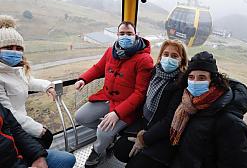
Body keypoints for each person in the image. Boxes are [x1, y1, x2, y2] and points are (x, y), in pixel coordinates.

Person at [74, 21, 154, 167]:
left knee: (103, 132)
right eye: (122, 34)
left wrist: (117, 114)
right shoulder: (111, 51)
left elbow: (140, 93)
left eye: (129, 34)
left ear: (136, 35)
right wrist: (83, 79)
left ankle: (98, 150)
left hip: (127, 106)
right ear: (117, 35)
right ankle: (109, 137)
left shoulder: (144, 59)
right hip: (107, 98)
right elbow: (98, 68)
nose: (125, 37)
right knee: (80, 117)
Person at [169, 51, 247, 168]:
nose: (195, 82)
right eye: (191, 77)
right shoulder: (188, 106)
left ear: (213, 81)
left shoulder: (228, 121)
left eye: (202, 78)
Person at [113, 39, 188, 168]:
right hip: (145, 122)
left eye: (174, 56)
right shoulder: (155, 72)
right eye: (166, 54)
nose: (169, 58)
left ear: (181, 60)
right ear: (160, 56)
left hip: (162, 134)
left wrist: (144, 139)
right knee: (119, 150)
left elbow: (169, 121)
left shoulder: (180, 85)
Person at [0, 15, 56, 149]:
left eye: (18, 48)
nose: (14, 52)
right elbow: (9, 114)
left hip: (22, 123)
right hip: (11, 130)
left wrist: (47, 86)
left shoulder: (14, 69)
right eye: (8, 47)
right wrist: (38, 130)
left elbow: (28, 81)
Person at [0, 103, 76, 168]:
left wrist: (38, 156)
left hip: (18, 153)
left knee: (67, 159)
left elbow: (16, 129)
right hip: (10, 162)